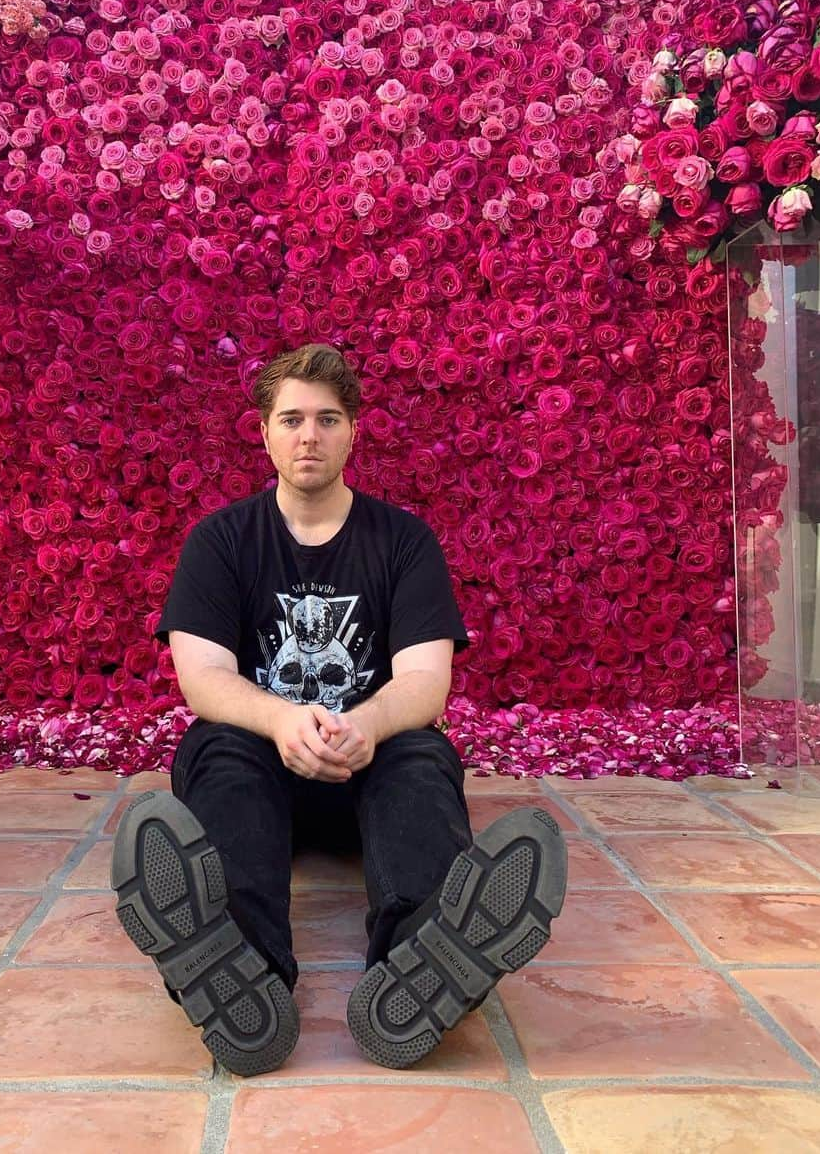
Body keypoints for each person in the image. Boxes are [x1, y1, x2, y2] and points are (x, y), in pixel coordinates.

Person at [112, 343, 567, 1075]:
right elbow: (203, 677)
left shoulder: (403, 541)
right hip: (264, 755)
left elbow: (425, 679)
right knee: (219, 750)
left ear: (354, 429)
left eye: (327, 419)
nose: (309, 436)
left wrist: (369, 726)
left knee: (421, 755)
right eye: (291, 418)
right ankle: (238, 965)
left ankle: (421, 954)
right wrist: (282, 720)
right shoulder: (222, 541)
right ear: (263, 430)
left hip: (369, 758)